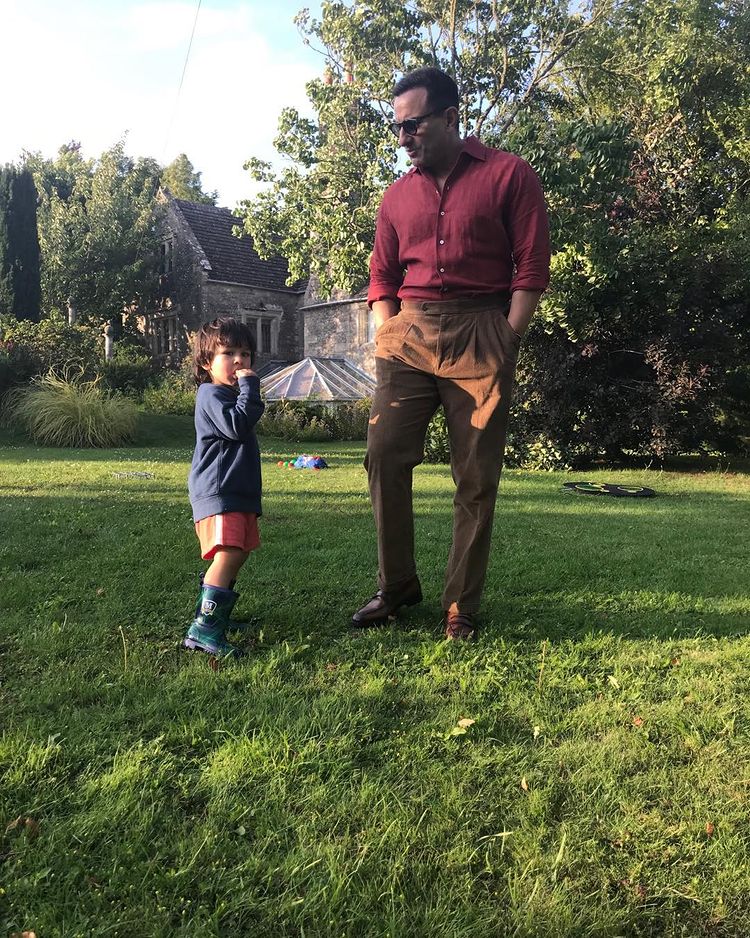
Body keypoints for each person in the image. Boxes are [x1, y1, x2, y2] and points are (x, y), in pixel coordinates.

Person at [352, 67, 550, 640]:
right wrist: (387, 332)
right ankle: (397, 585)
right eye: (397, 127)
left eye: (412, 125)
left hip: (482, 328)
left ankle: (461, 604)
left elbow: (531, 265)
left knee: (476, 474)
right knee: (384, 454)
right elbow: (382, 277)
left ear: (449, 117)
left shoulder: (509, 175)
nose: (403, 137)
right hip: (408, 336)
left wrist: (508, 336)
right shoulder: (396, 196)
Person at [184, 318, 265, 658]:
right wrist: (250, 388)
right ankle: (204, 629)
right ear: (207, 362)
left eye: (245, 353)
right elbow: (237, 426)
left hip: (237, 491)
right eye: (228, 353)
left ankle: (217, 616)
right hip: (219, 492)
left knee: (239, 552)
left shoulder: (228, 394)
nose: (239, 360)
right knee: (228, 552)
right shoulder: (211, 393)